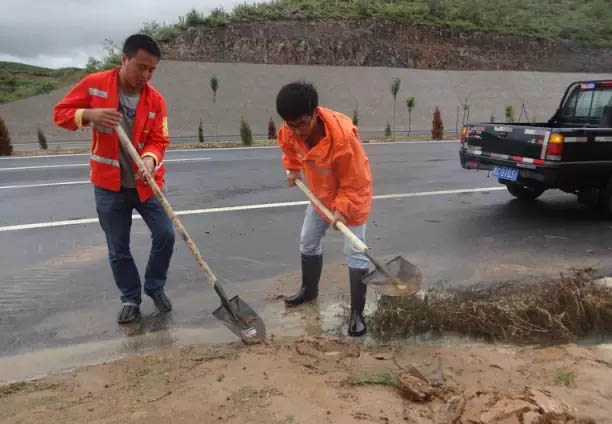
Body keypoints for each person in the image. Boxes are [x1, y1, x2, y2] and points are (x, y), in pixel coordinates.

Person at [54, 34, 175, 324]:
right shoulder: (95, 85)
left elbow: (160, 139)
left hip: (147, 184)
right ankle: (131, 298)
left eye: (151, 70)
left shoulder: (156, 100)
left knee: (165, 235)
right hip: (109, 187)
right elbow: (60, 114)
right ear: (124, 59)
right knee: (118, 248)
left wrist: (149, 158)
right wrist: (91, 114)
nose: (145, 75)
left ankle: (155, 286)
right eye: (140, 67)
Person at [276, 82, 373, 337]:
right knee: (308, 241)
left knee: (355, 252)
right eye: (291, 125)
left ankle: (357, 314)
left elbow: (355, 182)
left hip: (353, 197)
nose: (297, 131)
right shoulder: (290, 129)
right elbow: (287, 145)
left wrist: (342, 208)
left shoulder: (343, 139)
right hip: (320, 195)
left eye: (302, 124)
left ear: (315, 113)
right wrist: (294, 167)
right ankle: (309, 291)